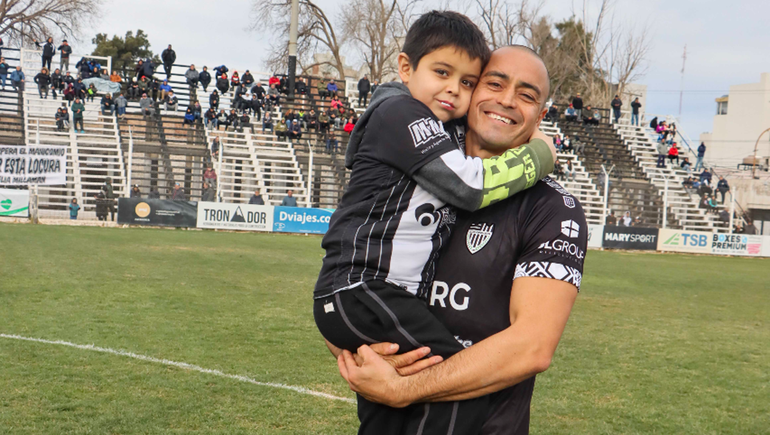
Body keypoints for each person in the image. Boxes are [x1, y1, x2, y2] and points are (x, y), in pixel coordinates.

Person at [316, 12, 556, 435]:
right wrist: (538, 155)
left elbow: (534, 346)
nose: (453, 90)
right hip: (366, 289)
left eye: (467, 82)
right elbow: (468, 187)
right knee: (449, 380)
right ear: (406, 67)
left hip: (363, 295)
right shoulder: (401, 113)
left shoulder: (551, 207)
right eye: (443, 73)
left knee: (400, 399)